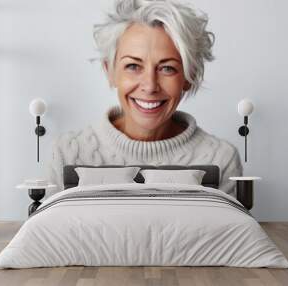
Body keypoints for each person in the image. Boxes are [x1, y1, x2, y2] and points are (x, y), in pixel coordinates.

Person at [49, 0, 242, 196]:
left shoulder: (221, 159)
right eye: (133, 66)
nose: (150, 86)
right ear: (111, 72)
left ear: (187, 77)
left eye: (167, 68)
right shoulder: (67, 153)